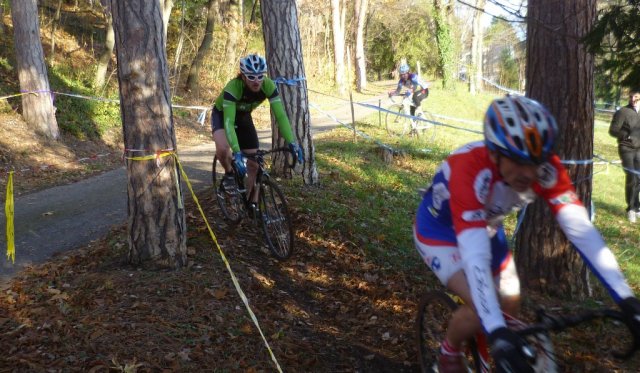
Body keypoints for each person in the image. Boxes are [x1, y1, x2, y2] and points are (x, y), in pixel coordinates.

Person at [413, 95, 640, 372]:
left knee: (511, 298)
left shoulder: (546, 168)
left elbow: (581, 230)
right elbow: (474, 254)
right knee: (483, 306)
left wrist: (626, 298)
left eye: (535, 161)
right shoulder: (469, 170)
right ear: (494, 152)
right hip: (439, 232)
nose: (528, 172)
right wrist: (495, 329)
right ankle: (449, 353)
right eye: (517, 161)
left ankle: (498, 349)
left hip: (485, 227)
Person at [211, 54, 303, 213]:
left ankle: (252, 204)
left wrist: (291, 142)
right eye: (251, 77)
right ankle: (229, 174)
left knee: (254, 164)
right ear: (243, 76)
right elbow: (228, 123)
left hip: (244, 116)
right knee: (223, 148)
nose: (256, 81)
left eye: (260, 76)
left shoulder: (268, 86)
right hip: (223, 115)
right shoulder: (233, 88)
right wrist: (237, 152)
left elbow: (280, 116)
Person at [609, 89, 640, 223]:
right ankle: (631, 209)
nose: (633, 99)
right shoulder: (622, 112)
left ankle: (637, 207)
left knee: (638, 178)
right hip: (626, 149)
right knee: (632, 177)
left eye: (636, 97)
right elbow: (613, 130)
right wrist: (625, 135)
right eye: (631, 96)